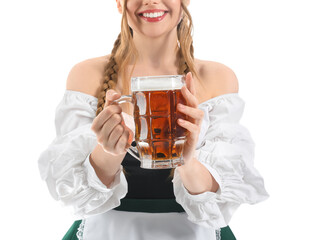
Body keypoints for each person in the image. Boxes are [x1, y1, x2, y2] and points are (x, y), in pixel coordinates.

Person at [38, 0, 269, 239]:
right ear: (119, 2)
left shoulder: (217, 77)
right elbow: (73, 197)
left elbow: (218, 204)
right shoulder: (87, 74)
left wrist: (187, 161)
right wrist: (110, 151)